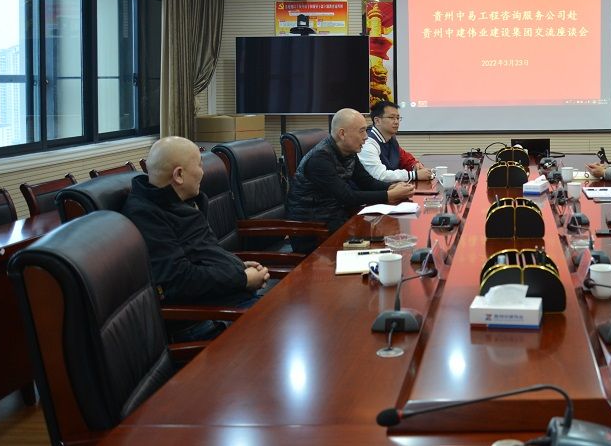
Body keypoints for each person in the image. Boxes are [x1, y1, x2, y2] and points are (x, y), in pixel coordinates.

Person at [122, 136, 270, 339]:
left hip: (229, 300)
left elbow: (202, 253)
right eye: (199, 165)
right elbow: (179, 281)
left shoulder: (182, 201)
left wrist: (236, 265)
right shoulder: (146, 216)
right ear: (179, 175)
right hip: (206, 319)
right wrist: (242, 279)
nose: (203, 172)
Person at [287, 107, 414, 251]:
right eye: (361, 131)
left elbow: (367, 182)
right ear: (342, 134)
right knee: (384, 245)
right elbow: (347, 196)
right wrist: (389, 195)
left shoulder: (349, 151)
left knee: (388, 240)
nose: (366, 137)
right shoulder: (320, 159)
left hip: (337, 219)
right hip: (314, 230)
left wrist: (391, 187)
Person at [359, 100, 432, 183]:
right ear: (377, 121)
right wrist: (414, 175)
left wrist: (414, 165)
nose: (396, 122)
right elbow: (380, 175)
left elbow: (402, 157)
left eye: (397, 118)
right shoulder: (367, 143)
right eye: (391, 118)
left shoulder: (390, 138)